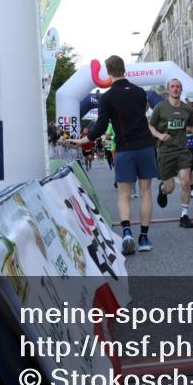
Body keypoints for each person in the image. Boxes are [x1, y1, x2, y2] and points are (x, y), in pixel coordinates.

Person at [69, 55, 157, 254]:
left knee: (124, 194)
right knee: (145, 193)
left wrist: (82, 141)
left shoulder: (107, 97)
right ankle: (143, 238)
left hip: (124, 149)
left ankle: (126, 232)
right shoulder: (140, 92)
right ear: (124, 69)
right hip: (145, 146)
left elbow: (100, 128)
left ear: (108, 72)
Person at [149, 78, 193, 228]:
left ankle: (184, 215)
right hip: (165, 150)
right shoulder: (160, 107)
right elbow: (150, 126)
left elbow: (191, 126)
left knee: (186, 181)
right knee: (170, 188)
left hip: (182, 149)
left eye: (178, 87)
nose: (175, 89)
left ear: (181, 90)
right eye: (173, 86)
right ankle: (162, 190)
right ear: (168, 90)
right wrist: (159, 135)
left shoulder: (187, 109)